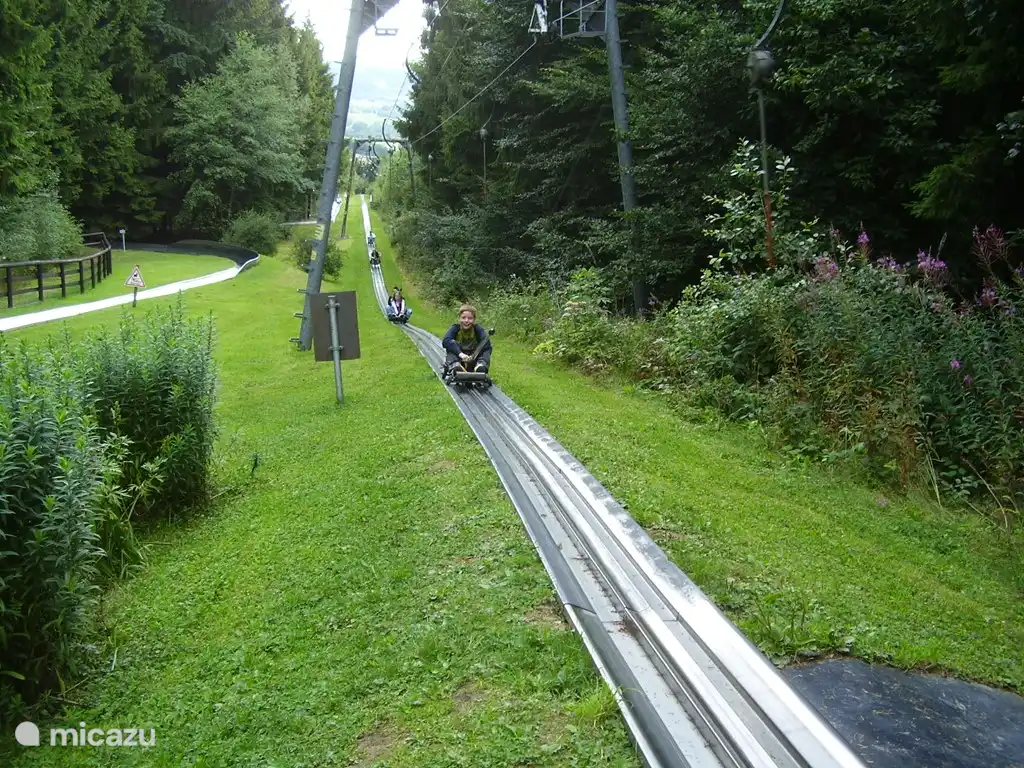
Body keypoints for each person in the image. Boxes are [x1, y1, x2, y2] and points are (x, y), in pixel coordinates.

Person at [442, 304, 491, 373]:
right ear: (459, 318)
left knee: (487, 348)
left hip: (474, 358)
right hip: (459, 357)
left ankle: (481, 365)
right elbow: (445, 341)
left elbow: (486, 342)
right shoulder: (455, 328)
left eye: (470, 318)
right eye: (463, 318)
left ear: (474, 320)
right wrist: (461, 354)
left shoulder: (477, 329)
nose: (466, 321)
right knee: (451, 345)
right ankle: (455, 365)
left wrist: (473, 355)